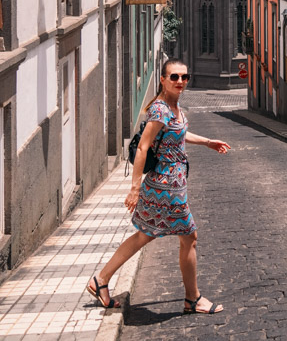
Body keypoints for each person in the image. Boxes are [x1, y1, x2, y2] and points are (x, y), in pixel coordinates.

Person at [86, 59, 230, 314]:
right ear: (163, 79)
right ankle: (192, 299)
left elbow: (178, 134)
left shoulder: (173, 107)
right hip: (166, 186)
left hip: (168, 183)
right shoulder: (161, 110)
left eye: (184, 77)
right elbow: (143, 147)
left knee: (146, 234)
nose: (180, 81)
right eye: (174, 76)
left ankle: (101, 279)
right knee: (189, 236)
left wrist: (208, 142)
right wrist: (134, 188)